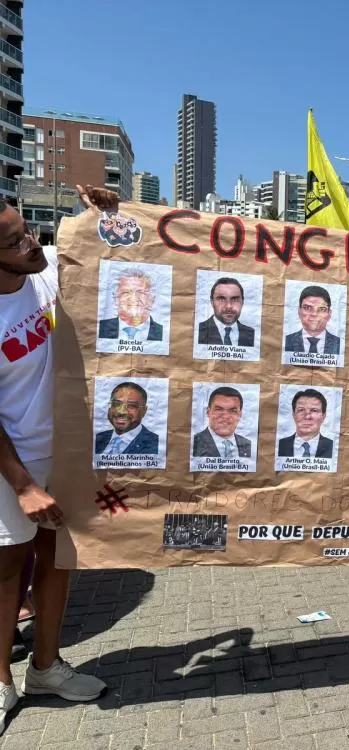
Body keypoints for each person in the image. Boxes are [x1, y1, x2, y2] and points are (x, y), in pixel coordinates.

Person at [0, 185, 112, 735]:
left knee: (58, 559)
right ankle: (1, 683)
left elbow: (108, 254)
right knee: (6, 572)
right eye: (15, 242)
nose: (31, 243)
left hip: (64, 453)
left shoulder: (45, 274)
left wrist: (106, 214)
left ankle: (46, 668)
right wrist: (23, 485)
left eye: (27, 230)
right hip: (11, 462)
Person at [93, 382, 159, 455]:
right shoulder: (98, 439)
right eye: (116, 404)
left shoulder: (156, 444)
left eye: (131, 406)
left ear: (144, 411)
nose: (122, 411)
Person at [98, 269, 163, 341]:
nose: (133, 298)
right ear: (116, 298)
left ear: (151, 299)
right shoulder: (99, 328)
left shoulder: (164, 333)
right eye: (126, 292)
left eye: (140, 292)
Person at [192, 387, 252, 458]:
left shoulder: (249, 445)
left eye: (232, 411)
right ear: (208, 412)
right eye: (218, 409)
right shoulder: (193, 443)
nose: (225, 416)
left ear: (240, 414)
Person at [197, 277, 254, 346]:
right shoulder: (198, 331)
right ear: (212, 302)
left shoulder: (252, 334)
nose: (228, 306)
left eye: (235, 299)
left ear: (242, 302)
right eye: (221, 299)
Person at [284, 286, 340, 355]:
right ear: (299, 311)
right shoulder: (286, 340)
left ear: (329, 314)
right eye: (307, 308)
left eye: (322, 309)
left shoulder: (340, 343)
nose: (314, 314)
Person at [278, 388, 333, 458]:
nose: (307, 416)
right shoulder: (280, 445)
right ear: (293, 414)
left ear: (323, 416)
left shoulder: (333, 447)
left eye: (314, 410)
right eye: (301, 410)